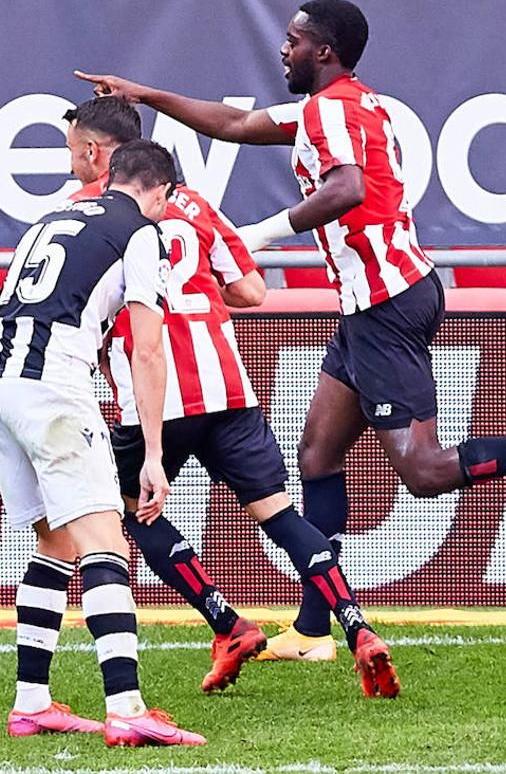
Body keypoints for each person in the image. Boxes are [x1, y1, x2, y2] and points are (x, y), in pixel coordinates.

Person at [75, 0, 506, 677]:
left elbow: (347, 188)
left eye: (294, 40)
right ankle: (314, 626)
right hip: (369, 307)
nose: (283, 49)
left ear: (322, 52)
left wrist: (260, 234)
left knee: (422, 471)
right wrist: (144, 93)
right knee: (316, 457)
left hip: (388, 304)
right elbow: (235, 123)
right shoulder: (342, 105)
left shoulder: (330, 111)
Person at [62, 96, 395, 697]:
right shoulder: (195, 204)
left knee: (130, 508)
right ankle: (357, 628)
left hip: (155, 394)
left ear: (94, 153)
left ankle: (225, 621)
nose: (73, 164)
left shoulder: (85, 211)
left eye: (72, 152)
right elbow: (251, 290)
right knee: (280, 514)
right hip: (228, 384)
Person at [0, 139, 204, 746]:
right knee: (108, 546)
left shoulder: (50, 217)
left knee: (53, 541)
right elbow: (147, 347)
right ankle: (126, 708)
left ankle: (31, 704)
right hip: (52, 389)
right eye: (166, 197)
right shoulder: (144, 231)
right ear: (159, 190)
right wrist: (153, 455)